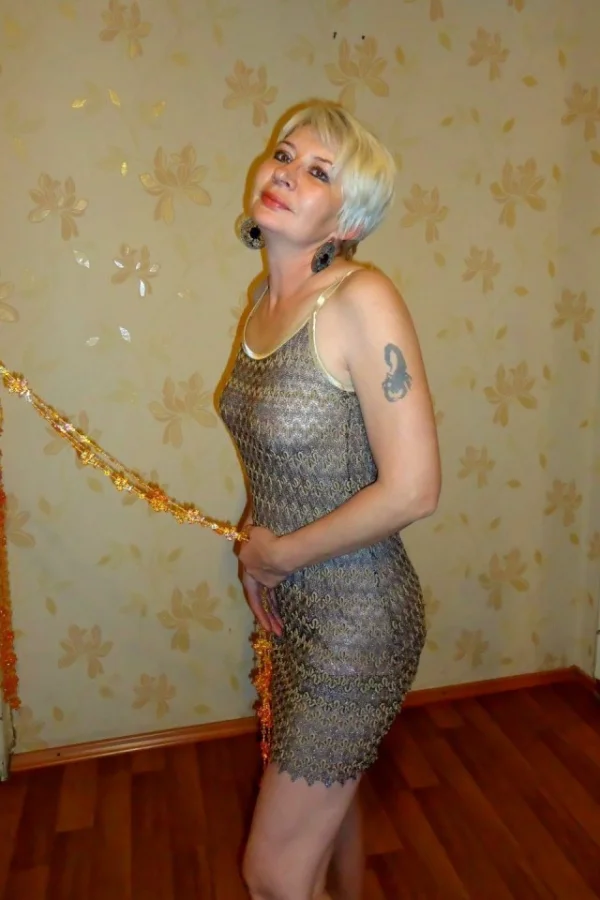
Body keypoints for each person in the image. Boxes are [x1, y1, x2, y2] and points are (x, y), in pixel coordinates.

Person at [218, 99, 441, 900]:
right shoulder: (263, 302)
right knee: (320, 829)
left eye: (318, 171)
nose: (285, 173)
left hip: (358, 618)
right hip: (294, 605)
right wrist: (258, 545)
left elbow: (414, 488)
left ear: (347, 220)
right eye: (284, 154)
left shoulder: (360, 298)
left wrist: (279, 553)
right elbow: (283, 452)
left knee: (272, 872)